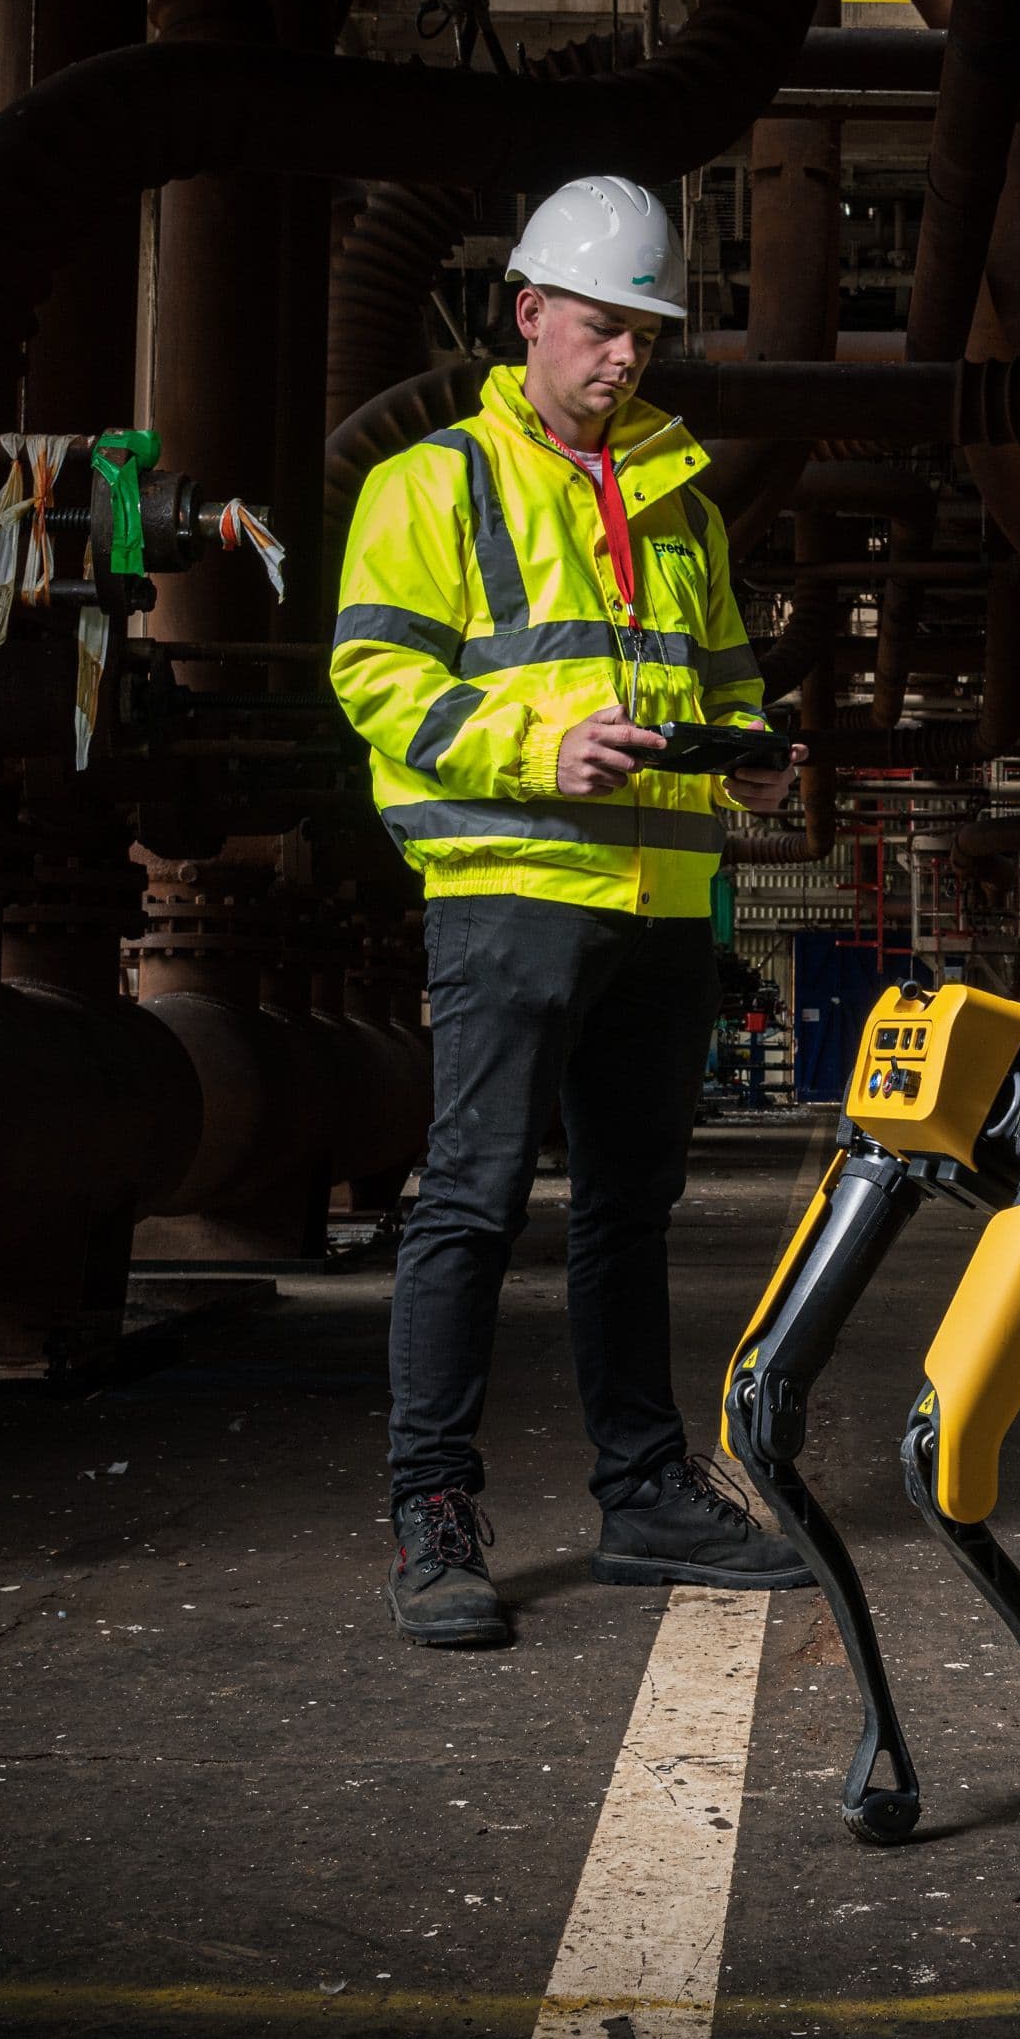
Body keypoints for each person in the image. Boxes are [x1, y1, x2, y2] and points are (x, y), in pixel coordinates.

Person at [330, 174, 815, 1648]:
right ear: (529, 314)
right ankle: (431, 1513)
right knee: (473, 1204)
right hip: (509, 897)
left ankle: (644, 1492)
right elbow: (378, 683)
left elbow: (722, 682)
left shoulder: (676, 507)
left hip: (666, 901)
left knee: (627, 1210)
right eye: (603, 329)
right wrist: (540, 749)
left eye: (644, 340)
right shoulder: (430, 487)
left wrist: (759, 769)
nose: (623, 361)